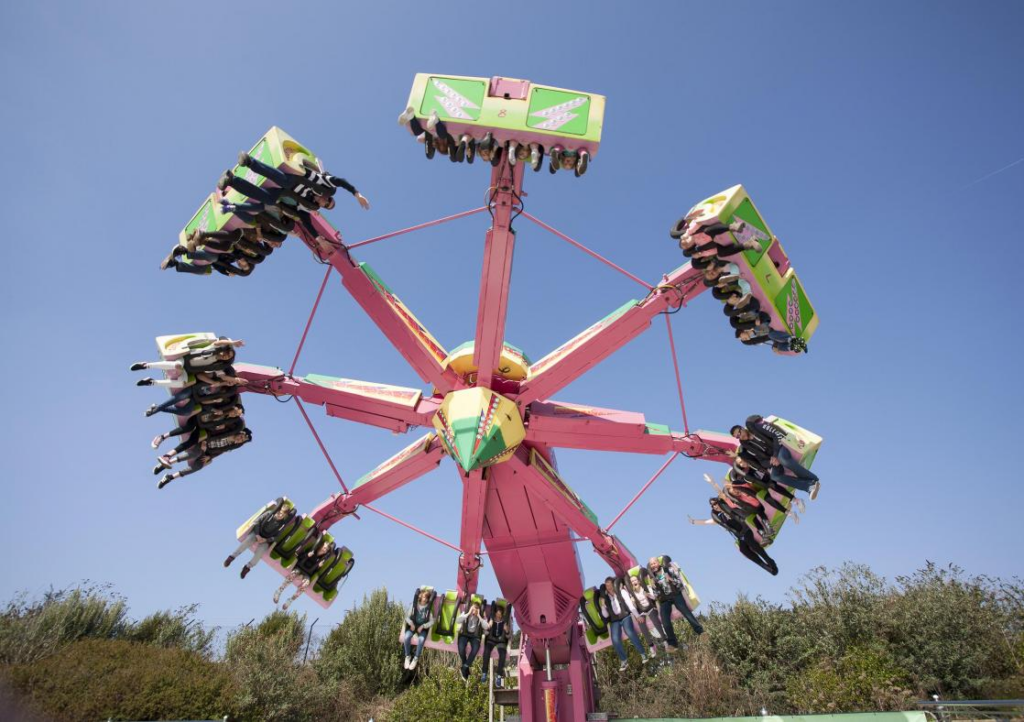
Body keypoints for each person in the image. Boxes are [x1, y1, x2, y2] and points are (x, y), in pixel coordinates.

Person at [237, 152, 371, 211]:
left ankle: (232, 181)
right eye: (329, 201)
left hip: (286, 189)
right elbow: (340, 181)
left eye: (326, 206)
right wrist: (356, 194)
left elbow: (301, 215)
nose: (325, 202)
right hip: (296, 175)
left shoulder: (310, 204)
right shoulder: (326, 187)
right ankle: (250, 161)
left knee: (271, 200)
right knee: (287, 182)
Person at [732, 418, 820, 499]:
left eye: (739, 433)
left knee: (783, 459)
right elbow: (761, 460)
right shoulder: (748, 446)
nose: (740, 436)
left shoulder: (757, 427)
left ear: (742, 428)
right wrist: (771, 462)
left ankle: (813, 479)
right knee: (774, 476)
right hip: (773, 458)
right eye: (737, 437)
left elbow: (775, 435)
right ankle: (809, 486)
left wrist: (775, 454)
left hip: (781, 445)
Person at [690, 499, 779, 575]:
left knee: (752, 543)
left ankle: (770, 561)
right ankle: (765, 567)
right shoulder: (720, 518)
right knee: (743, 550)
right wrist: (694, 522)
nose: (714, 506)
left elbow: (721, 493)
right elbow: (706, 522)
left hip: (746, 530)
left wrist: (712, 482)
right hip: (740, 536)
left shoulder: (728, 506)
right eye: (712, 506)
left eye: (715, 503)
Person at [225, 501, 296, 578]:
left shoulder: (282, 525)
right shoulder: (269, 514)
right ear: (278, 510)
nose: (280, 515)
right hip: (257, 533)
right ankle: (232, 557)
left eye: (283, 515)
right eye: (280, 513)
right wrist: (257, 535)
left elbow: (276, 537)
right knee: (247, 541)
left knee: (261, 552)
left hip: (265, 540)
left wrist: (266, 540)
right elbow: (257, 522)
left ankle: (247, 567)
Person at [646, 557, 704, 651]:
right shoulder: (653, 578)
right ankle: (673, 643)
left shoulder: (668, 570)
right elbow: (657, 596)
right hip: (665, 600)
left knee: (686, 612)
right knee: (665, 620)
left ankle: (701, 632)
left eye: (654, 563)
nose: (653, 565)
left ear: (658, 563)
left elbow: (680, 583)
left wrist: (671, 580)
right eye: (651, 564)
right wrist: (652, 590)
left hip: (675, 595)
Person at [598, 576, 648, 671]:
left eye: (610, 585)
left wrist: (637, 616)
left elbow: (629, 604)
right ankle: (624, 660)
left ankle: (643, 654)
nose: (609, 588)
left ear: (614, 584)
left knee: (629, 632)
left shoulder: (621, 592)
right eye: (607, 586)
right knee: (615, 639)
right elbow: (605, 615)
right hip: (615, 620)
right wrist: (603, 606)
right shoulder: (606, 598)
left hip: (625, 616)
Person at [273, 536, 336, 611]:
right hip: (300, 568)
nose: (324, 549)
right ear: (320, 546)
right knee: (293, 574)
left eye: (326, 549)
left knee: (306, 583)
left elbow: (316, 572)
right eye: (324, 547)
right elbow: (300, 556)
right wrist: (307, 555)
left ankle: (290, 600)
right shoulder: (312, 550)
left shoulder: (322, 559)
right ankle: (279, 591)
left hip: (307, 573)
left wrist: (319, 567)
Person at [622, 574, 670, 658]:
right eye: (632, 581)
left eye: (635, 580)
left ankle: (665, 641)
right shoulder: (632, 594)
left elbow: (654, 598)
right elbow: (634, 607)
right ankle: (651, 646)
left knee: (655, 621)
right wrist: (633, 602)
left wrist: (648, 595)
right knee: (642, 626)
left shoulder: (646, 587)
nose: (634, 582)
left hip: (651, 608)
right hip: (642, 611)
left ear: (639, 581)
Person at [455, 602, 489, 680]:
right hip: (464, 634)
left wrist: (479, 616)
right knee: (461, 649)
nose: (474, 610)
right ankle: (465, 667)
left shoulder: (481, 616)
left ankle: (464, 667)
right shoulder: (465, 612)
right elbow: (457, 621)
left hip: (475, 636)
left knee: (475, 649)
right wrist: (468, 613)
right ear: (470, 608)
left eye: (476, 609)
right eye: (473, 608)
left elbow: (486, 627)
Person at [403, 589, 436, 671]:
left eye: (427, 598)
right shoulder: (414, 606)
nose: (425, 599)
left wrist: (424, 626)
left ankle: (415, 658)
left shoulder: (428, 609)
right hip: (413, 626)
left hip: (422, 628)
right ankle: (407, 656)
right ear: (420, 597)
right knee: (407, 637)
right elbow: (406, 617)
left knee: (421, 640)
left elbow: (432, 621)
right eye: (424, 597)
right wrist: (411, 623)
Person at [481, 607, 510, 687]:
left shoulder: (504, 622)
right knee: (486, 652)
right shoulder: (491, 620)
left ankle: (499, 676)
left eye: (499, 614)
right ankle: (484, 673)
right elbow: (486, 631)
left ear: (501, 615)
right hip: (491, 639)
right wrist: (488, 626)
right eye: (497, 613)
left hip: (500, 641)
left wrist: (506, 630)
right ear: (495, 614)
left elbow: (508, 636)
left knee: (503, 655)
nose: (498, 615)